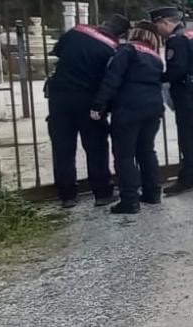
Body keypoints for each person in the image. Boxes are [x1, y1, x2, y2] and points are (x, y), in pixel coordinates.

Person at [45, 14, 130, 208]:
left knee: (63, 149)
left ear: (103, 23)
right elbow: (110, 78)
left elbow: (57, 52)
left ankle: (67, 196)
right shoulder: (113, 49)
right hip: (89, 101)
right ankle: (102, 193)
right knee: (96, 148)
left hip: (60, 99)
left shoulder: (76, 31)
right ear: (122, 34)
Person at [91, 22, 166, 214]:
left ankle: (130, 201)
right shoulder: (155, 56)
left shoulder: (127, 50)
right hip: (153, 109)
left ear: (135, 33)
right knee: (146, 151)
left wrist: (99, 105)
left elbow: (112, 79)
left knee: (124, 155)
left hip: (129, 109)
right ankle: (153, 193)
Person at [150, 6, 193, 193]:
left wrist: (158, 77)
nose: (158, 31)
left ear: (165, 22)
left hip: (188, 91)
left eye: (158, 26)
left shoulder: (176, 40)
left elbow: (176, 71)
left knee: (189, 136)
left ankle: (188, 179)